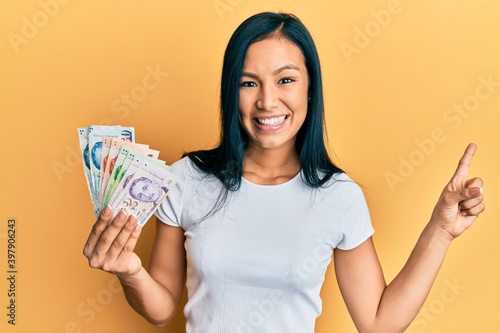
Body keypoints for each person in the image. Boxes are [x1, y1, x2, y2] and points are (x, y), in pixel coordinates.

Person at [83, 12, 485, 332]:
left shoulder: (338, 197)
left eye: (286, 80)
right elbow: (162, 308)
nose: (267, 101)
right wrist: (130, 271)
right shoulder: (186, 179)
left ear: (310, 88)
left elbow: (379, 323)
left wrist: (440, 231)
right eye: (248, 83)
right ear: (230, 91)